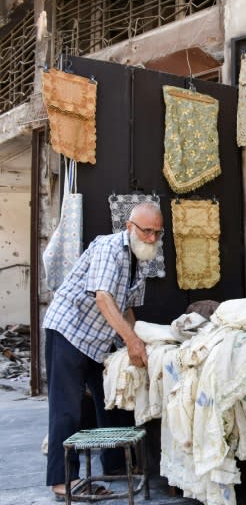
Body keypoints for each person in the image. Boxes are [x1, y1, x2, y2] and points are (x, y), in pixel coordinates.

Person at [43, 202, 163, 500]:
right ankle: (62, 481)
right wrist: (131, 342)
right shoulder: (108, 248)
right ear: (129, 228)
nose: (151, 238)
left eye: (157, 233)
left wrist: (133, 342)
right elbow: (103, 298)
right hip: (69, 329)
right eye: (146, 231)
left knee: (112, 399)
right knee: (67, 409)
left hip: (98, 339)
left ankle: (113, 466)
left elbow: (128, 307)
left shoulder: (142, 259)